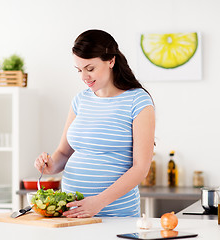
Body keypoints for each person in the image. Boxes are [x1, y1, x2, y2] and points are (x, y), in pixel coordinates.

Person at [34, 29, 155, 218]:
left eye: (90, 69)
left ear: (111, 61)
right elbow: (64, 153)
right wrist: (50, 165)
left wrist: (99, 202)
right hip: (72, 212)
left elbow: (141, 168)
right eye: (79, 70)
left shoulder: (138, 101)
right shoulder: (80, 100)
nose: (84, 77)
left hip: (116, 215)